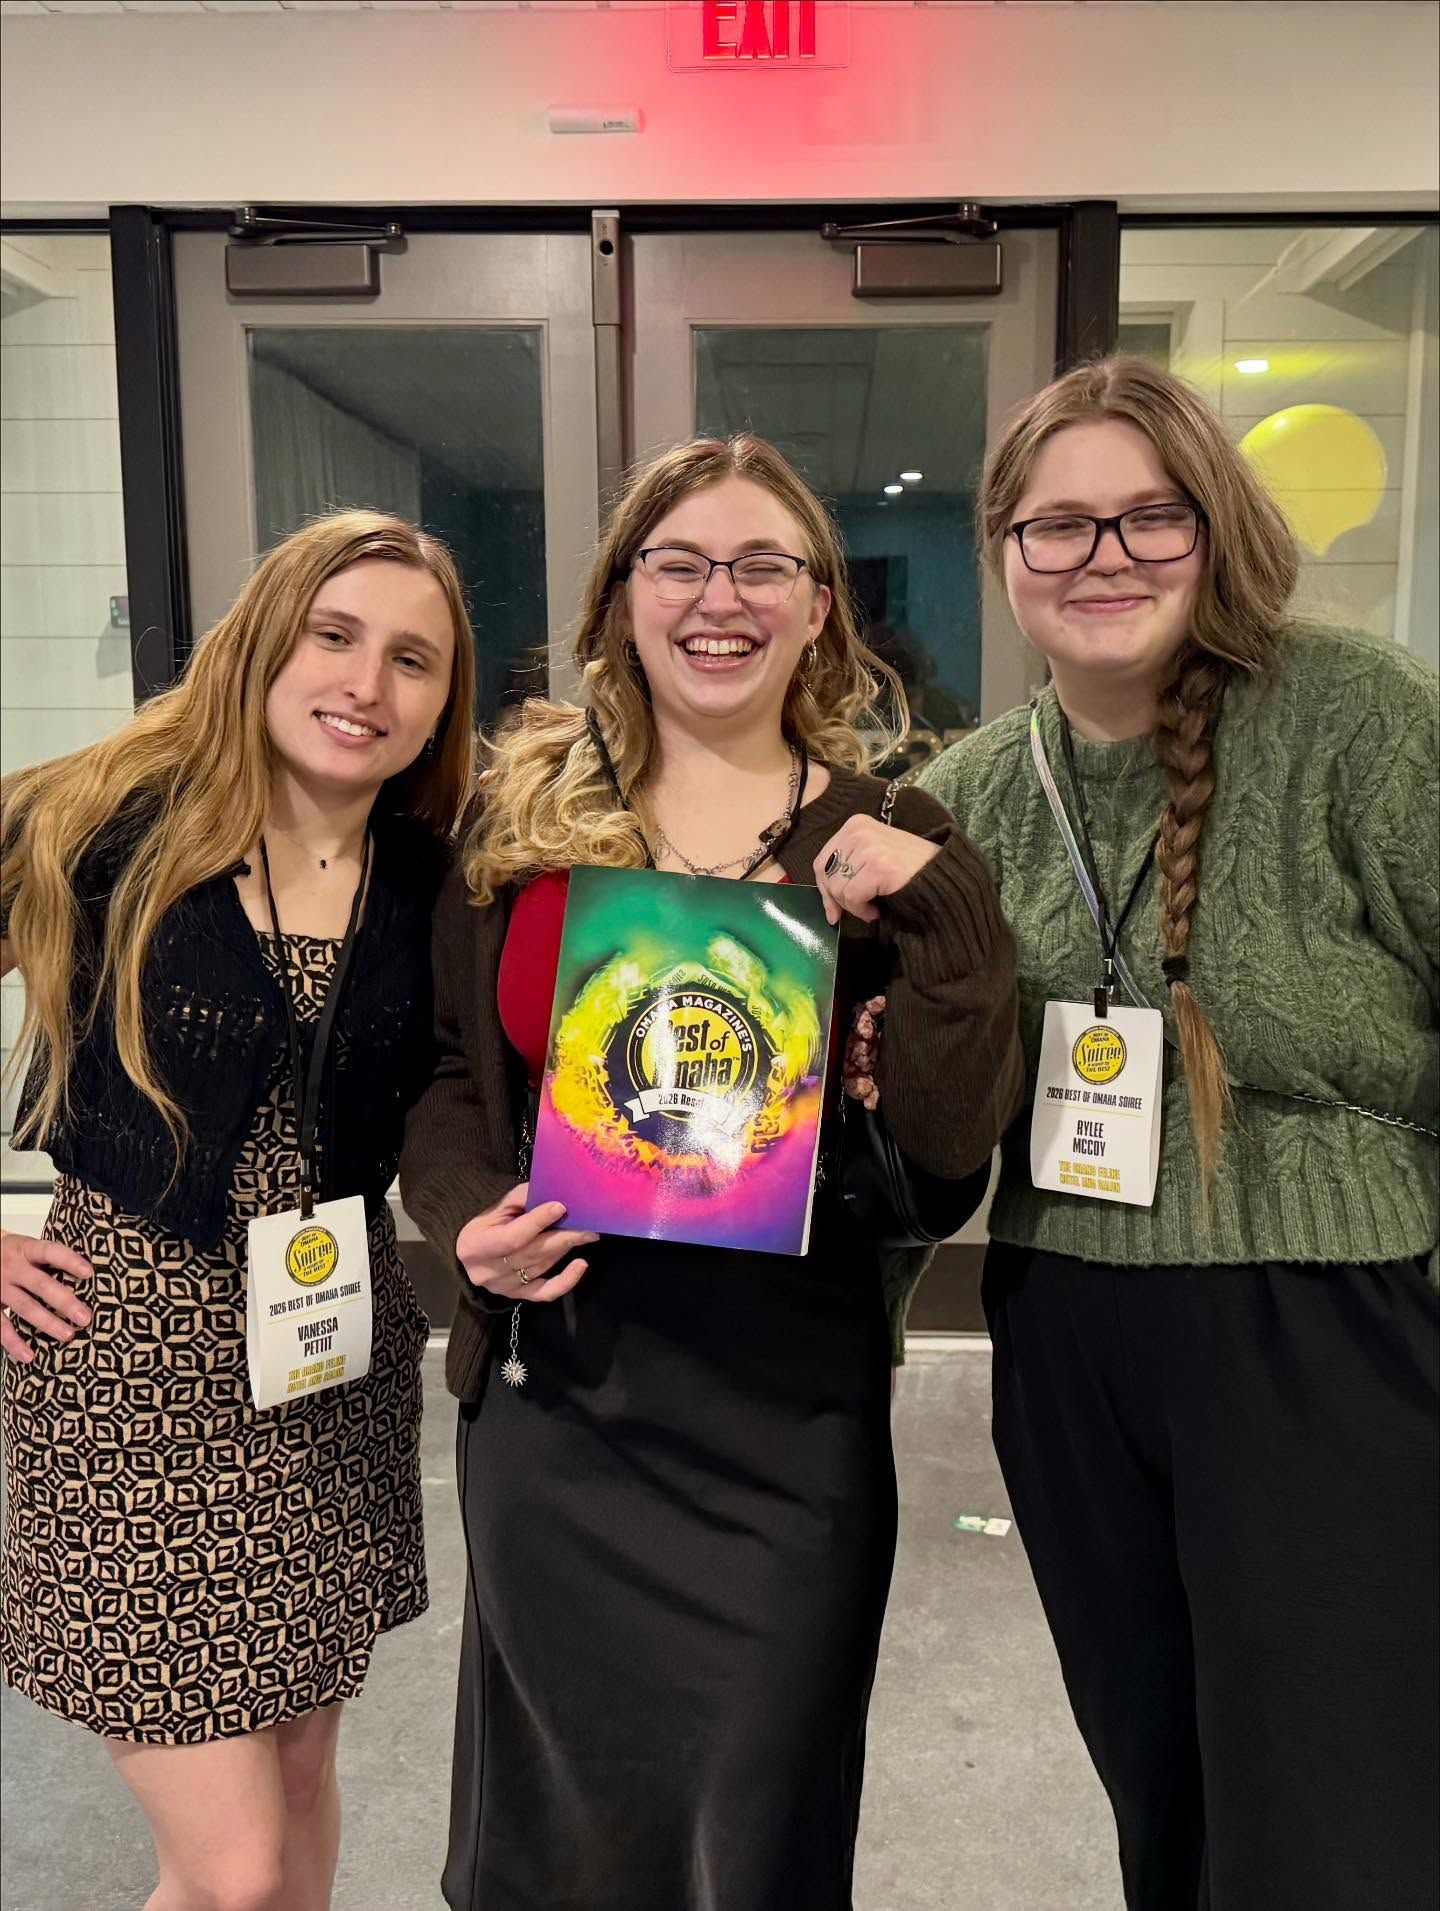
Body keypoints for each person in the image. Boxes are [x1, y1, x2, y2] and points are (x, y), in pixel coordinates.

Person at [399, 433, 1023, 1911]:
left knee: (758, 1830)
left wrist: (942, 917)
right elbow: (440, 1074)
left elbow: (942, 1152)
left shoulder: (896, 834)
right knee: (553, 1834)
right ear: (622, 598)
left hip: (782, 1418)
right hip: (560, 1402)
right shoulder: (521, 819)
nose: (717, 598)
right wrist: (461, 1223)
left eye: (762, 565)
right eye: (677, 564)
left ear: (821, 607)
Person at [918, 357, 1439, 1911]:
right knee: (1161, 1783)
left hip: (1321, 1323)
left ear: (1216, 530)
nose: (1104, 558)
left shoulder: (1356, 718)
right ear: (1004, 555)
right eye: (1058, 526)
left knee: (1337, 1811)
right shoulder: (973, 794)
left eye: (1152, 518)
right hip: (1068, 1332)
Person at [0, 511, 476, 1911]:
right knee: (236, 1868)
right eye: (334, 637)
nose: (366, 685)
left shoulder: (434, 880)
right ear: (264, 641)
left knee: (299, 1792)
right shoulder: (99, 824)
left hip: (330, 1370)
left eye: (413, 660)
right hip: (128, 1370)